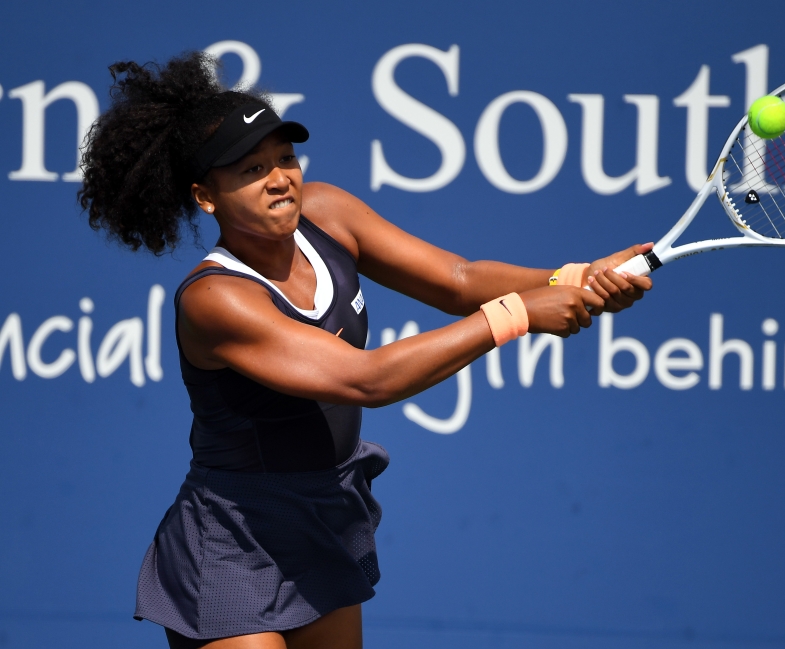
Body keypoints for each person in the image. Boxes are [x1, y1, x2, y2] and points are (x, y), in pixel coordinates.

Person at [78, 51, 653, 649]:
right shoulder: (216, 298)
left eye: (284, 159)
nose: (280, 179)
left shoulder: (327, 212)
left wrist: (572, 277)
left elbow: (457, 278)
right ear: (206, 197)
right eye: (251, 170)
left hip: (324, 517)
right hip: (233, 536)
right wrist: (518, 314)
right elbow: (367, 381)